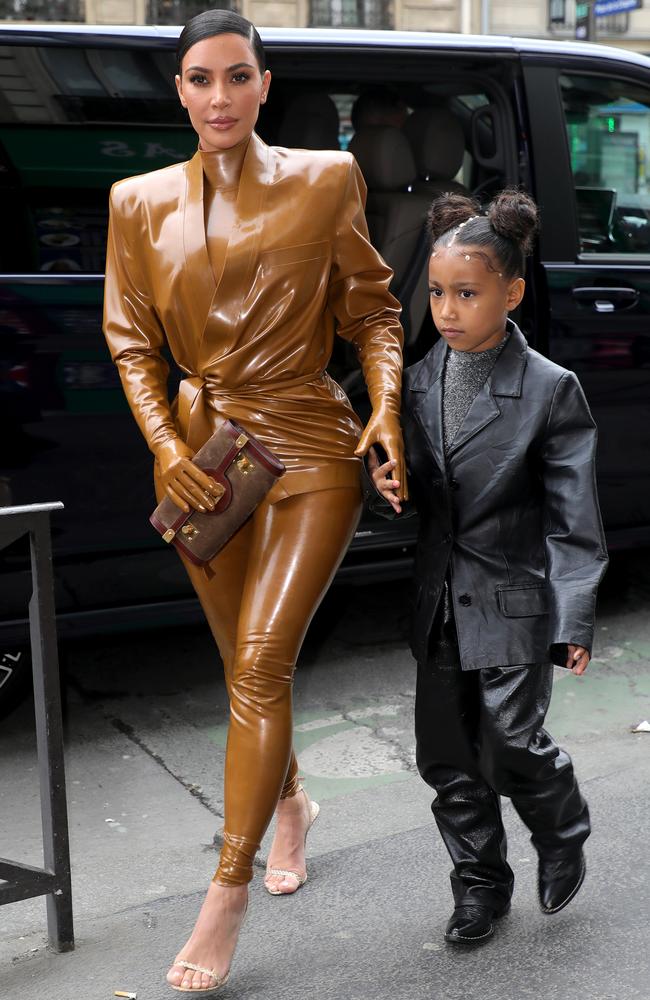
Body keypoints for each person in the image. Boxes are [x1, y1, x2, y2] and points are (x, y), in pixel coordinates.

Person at [102, 10, 406, 994]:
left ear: (264, 84)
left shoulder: (325, 179)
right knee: (242, 664)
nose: (220, 96)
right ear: (179, 90)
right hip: (199, 453)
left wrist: (387, 405)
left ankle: (223, 891)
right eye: (200, 79)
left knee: (263, 660)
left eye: (238, 76)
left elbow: (371, 308)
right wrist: (163, 444)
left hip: (310, 439)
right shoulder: (136, 201)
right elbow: (131, 343)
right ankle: (290, 805)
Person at [370, 189, 608, 947]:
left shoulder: (549, 389)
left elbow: (576, 522)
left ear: (511, 292)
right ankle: (478, 884)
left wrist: (571, 618)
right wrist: (383, 491)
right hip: (439, 602)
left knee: (510, 741)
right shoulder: (411, 384)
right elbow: (400, 497)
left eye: (466, 293)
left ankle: (561, 822)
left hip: (515, 599)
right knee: (446, 757)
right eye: (436, 292)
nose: (446, 309)